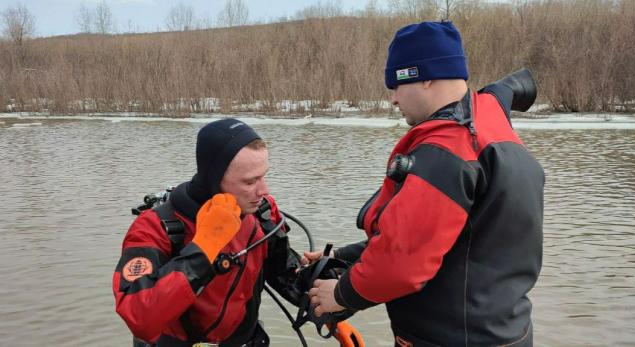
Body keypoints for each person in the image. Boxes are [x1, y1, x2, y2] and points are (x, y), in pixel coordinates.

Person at [307, 21, 545, 346]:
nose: (392, 98)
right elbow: (456, 244)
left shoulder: (447, 152)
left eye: (396, 84)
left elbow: (401, 264)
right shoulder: (491, 133)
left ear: (425, 77)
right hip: (506, 333)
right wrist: (347, 257)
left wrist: (341, 294)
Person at [113, 118, 303, 346]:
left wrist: (334, 299)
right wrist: (205, 247)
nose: (264, 190)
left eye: (264, 176)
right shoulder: (153, 228)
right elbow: (140, 317)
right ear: (215, 179)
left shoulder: (261, 211)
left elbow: (282, 272)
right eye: (250, 181)